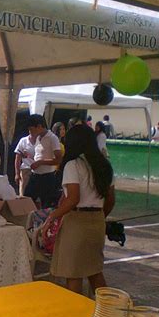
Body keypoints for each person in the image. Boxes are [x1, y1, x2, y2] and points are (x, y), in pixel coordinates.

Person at [42, 124, 115, 295]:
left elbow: (73, 199)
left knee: (73, 273)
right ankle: (109, 311)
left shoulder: (73, 165)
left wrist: (52, 216)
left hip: (76, 223)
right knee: (94, 271)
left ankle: (76, 314)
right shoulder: (104, 165)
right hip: (97, 221)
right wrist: (99, 215)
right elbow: (111, 199)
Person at [23, 115, 62, 209]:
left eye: (32, 129)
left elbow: (58, 159)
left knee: (46, 205)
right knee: (26, 200)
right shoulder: (37, 137)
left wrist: (40, 162)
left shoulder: (53, 138)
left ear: (39, 126)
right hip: (35, 175)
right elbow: (40, 155)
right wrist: (30, 157)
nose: (31, 132)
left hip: (47, 177)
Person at [14, 131, 37, 196]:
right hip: (25, 171)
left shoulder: (41, 141)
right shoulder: (23, 141)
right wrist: (17, 174)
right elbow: (17, 159)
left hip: (38, 171)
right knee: (23, 194)